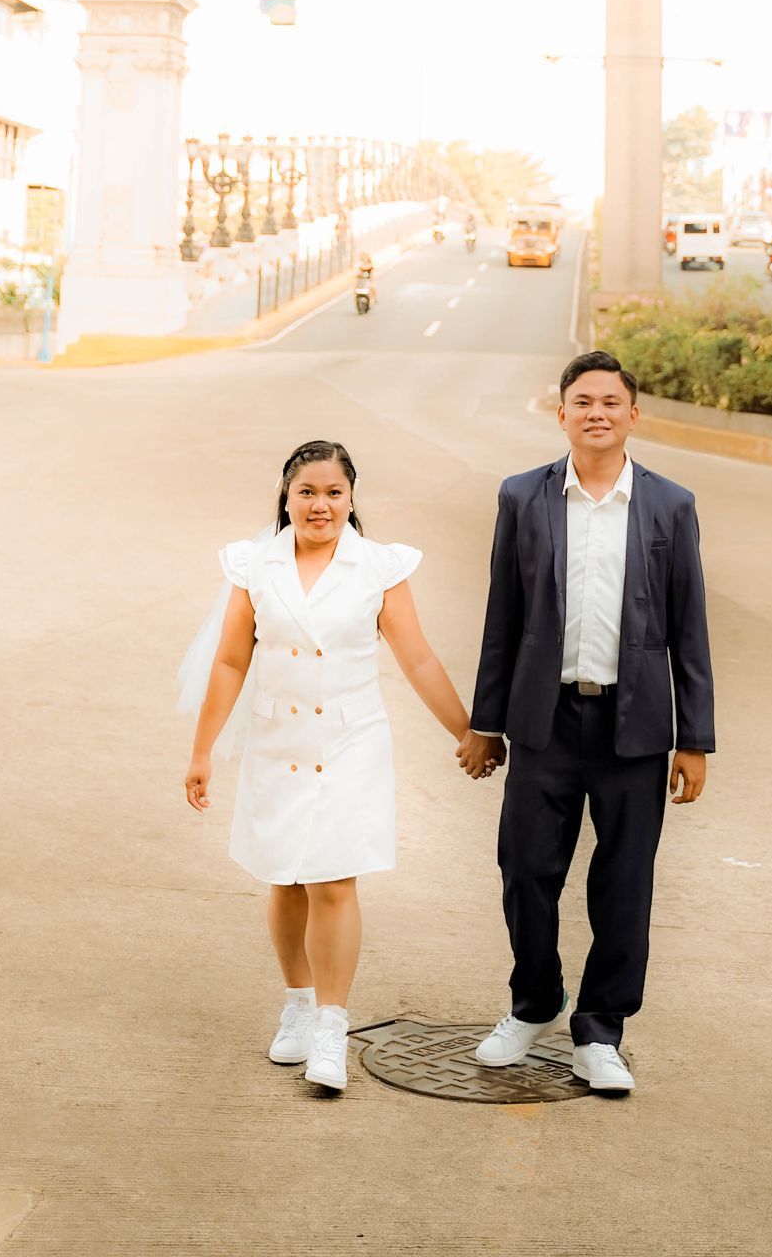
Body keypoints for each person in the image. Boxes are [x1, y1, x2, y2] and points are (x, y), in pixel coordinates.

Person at [183, 437, 486, 1093]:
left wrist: (467, 730)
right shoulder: (255, 565)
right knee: (286, 879)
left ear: (351, 499)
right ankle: (297, 1003)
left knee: (332, 880)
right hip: (278, 744)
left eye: (333, 492)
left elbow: (418, 659)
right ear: (286, 497)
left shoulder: (379, 567)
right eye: (307, 492)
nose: (320, 504)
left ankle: (330, 1025)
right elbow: (231, 661)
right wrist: (203, 750)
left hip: (350, 744)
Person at [459, 349, 715, 1096]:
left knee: (624, 883)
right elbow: (503, 618)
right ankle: (534, 1003)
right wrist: (486, 722)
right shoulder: (523, 497)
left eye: (610, 402)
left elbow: (689, 626)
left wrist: (694, 739)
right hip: (545, 721)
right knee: (524, 870)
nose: (596, 413)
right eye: (582, 402)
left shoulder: (670, 505)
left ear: (633, 415)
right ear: (561, 414)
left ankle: (601, 1031)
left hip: (635, 729)